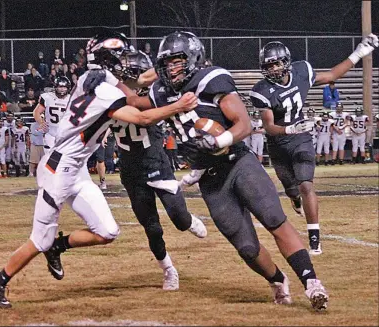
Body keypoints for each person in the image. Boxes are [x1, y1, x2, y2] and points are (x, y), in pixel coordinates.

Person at [0, 31, 198, 309]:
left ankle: (58, 246)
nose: (124, 62)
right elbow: (142, 116)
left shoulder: (89, 78)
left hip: (77, 170)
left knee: (108, 231)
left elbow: (137, 78)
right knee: (39, 239)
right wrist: (177, 105)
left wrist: (165, 70)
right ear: (108, 58)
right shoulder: (107, 91)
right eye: (120, 56)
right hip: (58, 171)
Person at [127, 31, 328, 310]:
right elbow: (133, 103)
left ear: (193, 57)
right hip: (210, 178)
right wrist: (110, 78)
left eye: (177, 61)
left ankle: (311, 282)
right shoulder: (161, 92)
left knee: (274, 219)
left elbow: (243, 125)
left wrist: (217, 140)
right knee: (245, 246)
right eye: (167, 63)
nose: (171, 68)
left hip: (238, 161)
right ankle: (277, 279)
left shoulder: (211, 79)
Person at [249, 34, 378, 254]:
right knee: (292, 189)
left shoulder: (302, 71)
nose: (273, 69)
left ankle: (314, 237)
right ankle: (294, 199)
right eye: (268, 66)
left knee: (306, 184)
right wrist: (289, 128)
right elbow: (269, 126)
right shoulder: (261, 90)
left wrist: (360, 52)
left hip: (301, 138)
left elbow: (332, 75)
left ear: (286, 62)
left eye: (276, 63)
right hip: (278, 143)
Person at [113, 50, 207, 290]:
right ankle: (169, 270)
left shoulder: (156, 95)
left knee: (179, 219)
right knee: (152, 227)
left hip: (156, 163)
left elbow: (151, 109)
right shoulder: (109, 96)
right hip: (131, 170)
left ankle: (188, 221)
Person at [33, 76, 71, 153]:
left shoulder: (71, 99)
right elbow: (36, 112)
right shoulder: (47, 97)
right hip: (50, 133)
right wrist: (41, 122)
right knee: (49, 160)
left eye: (64, 87)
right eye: (60, 87)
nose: (62, 89)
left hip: (65, 135)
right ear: (55, 87)